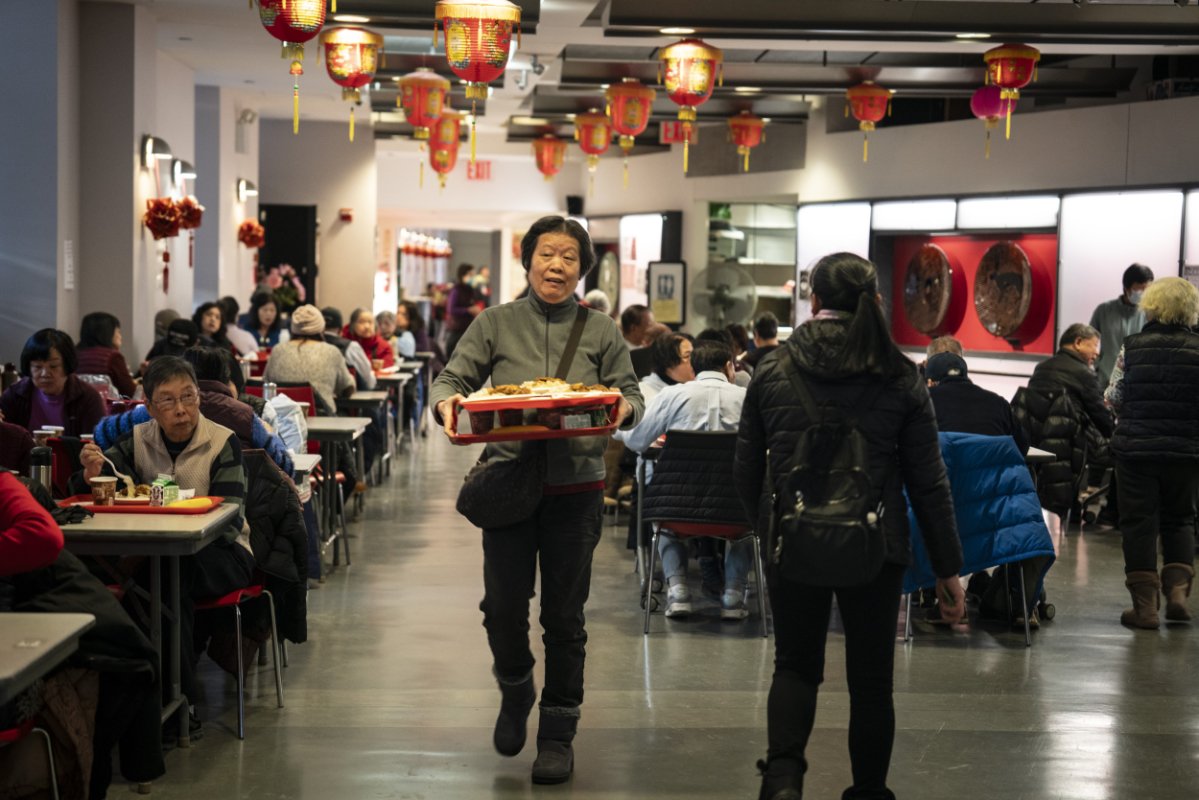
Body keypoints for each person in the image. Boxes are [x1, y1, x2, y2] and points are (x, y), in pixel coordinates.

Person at [734, 252, 964, 800]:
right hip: (876, 545)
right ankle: (867, 790)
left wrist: (768, 532)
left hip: (794, 539)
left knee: (794, 666)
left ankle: (784, 779)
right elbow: (928, 482)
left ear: (813, 302)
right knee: (870, 682)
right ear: (875, 302)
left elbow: (745, 469)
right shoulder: (902, 375)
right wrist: (949, 569)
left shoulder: (773, 367)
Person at [431, 216, 643, 786]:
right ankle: (516, 682)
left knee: (564, 617)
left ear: (581, 269)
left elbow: (629, 391)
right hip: (509, 483)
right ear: (526, 261)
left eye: (569, 257)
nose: (557, 265)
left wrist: (623, 409)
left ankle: (557, 734)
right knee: (502, 608)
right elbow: (451, 380)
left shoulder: (600, 329)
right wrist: (446, 405)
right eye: (547, 254)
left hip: (577, 489)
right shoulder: (494, 322)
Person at [76, 356, 254, 735]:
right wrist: (95, 470)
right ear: (150, 408)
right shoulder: (139, 439)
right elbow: (112, 476)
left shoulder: (223, 442)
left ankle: (176, 704)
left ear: (199, 399)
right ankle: (163, 702)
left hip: (224, 553)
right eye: (168, 401)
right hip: (158, 555)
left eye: (188, 397)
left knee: (170, 577)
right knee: (155, 581)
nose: (180, 410)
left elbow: (231, 519)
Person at [624, 340, 755, 619]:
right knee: (747, 527)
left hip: (676, 512)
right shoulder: (746, 398)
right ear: (729, 367)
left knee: (663, 523)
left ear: (694, 369)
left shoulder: (672, 396)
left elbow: (637, 441)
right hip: (733, 512)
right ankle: (733, 596)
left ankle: (678, 591)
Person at [1105, 277, 1199, 629]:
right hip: (1187, 452)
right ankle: (1177, 596)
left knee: (1139, 525)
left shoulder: (1134, 346)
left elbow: (1113, 397)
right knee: (1181, 519)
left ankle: (1144, 609)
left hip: (1137, 453)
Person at [0, 328, 107, 436]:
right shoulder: (14, 396)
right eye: (37, 367)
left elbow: (97, 443)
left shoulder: (88, 398)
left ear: (67, 365)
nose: (45, 373)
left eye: (53, 366)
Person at [926, 352, 1028, 455]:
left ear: (929, 382)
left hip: (943, 470)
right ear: (965, 376)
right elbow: (1022, 446)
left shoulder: (925, 402)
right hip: (993, 470)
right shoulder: (999, 403)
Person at [1027, 323, 1115, 441]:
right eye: (1095, 345)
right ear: (1078, 342)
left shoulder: (1040, 368)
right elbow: (1103, 420)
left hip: (1036, 441)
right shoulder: (1084, 374)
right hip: (1070, 445)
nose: (1097, 352)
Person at [266, 305, 356, 412]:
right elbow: (346, 389)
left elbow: (266, 384)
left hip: (282, 419)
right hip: (322, 420)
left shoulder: (277, 350)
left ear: (293, 327)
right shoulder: (332, 352)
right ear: (321, 327)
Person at [1089, 263, 1154, 387]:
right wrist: (1098, 367)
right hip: (1105, 383)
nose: (1144, 294)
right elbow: (1090, 341)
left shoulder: (1151, 314)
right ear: (1126, 288)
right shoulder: (1104, 311)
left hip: (1138, 385)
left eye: (1147, 290)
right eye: (1139, 290)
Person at [76, 311, 137, 397]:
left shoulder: (73, 354)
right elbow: (130, 392)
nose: (121, 337)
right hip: (105, 408)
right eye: (119, 332)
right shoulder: (113, 357)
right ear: (109, 333)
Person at [321, 306, 377, 390]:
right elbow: (368, 380)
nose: (367, 326)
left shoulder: (308, 347)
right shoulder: (350, 347)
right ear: (340, 329)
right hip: (348, 399)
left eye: (370, 322)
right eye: (361, 322)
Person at [445, 263, 480, 360]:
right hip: (457, 329)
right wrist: (467, 310)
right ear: (463, 275)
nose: (473, 277)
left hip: (468, 329)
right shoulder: (456, 290)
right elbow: (451, 309)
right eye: (471, 274)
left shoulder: (470, 290)